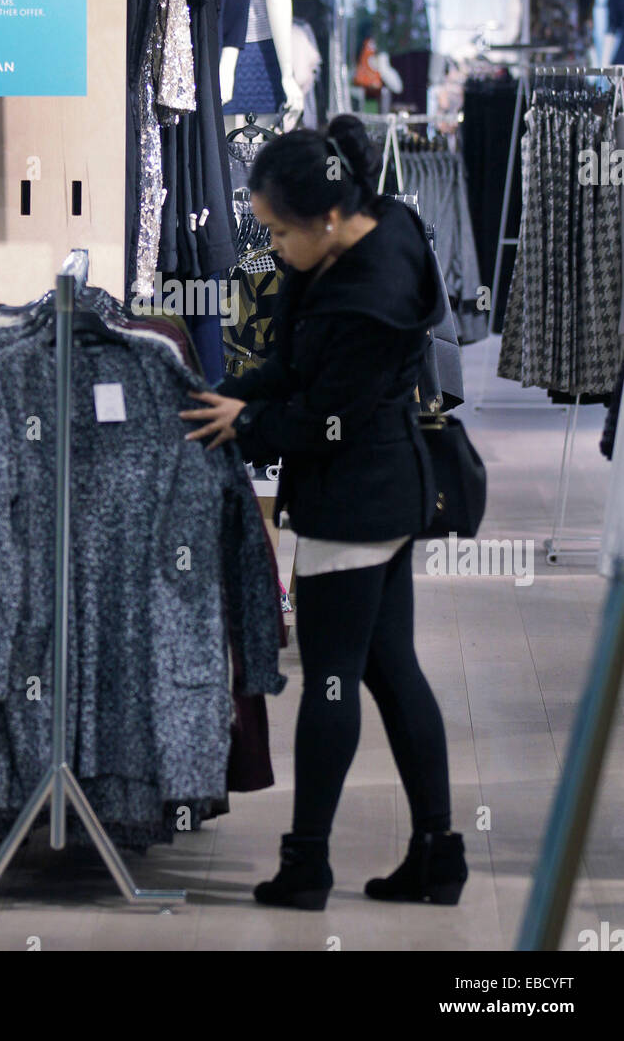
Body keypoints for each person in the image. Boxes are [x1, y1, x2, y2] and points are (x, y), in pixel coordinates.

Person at [180, 117, 468, 911]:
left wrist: (245, 425)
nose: (270, 246)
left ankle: (307, 865)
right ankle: (438, 854)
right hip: (388, 485)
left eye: (276, 230)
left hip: (356, 497)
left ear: (329, 218)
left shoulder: (363, 301)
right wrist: (249, 391)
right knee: (388, 666)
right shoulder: (382, 227)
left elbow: (324, 420)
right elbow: (296, 368)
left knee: (333, 678)